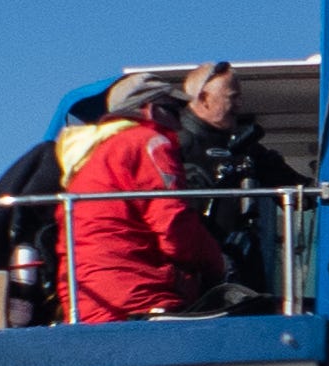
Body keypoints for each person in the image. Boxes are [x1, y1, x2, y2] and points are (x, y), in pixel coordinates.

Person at [55, 75, 227, 324]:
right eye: (174, 110)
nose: (181, 122)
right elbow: (173, 229)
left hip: (88, 303)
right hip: (139, 297)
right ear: (152, 110)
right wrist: (218, 263)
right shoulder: (149, 142)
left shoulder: (91, 157)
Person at [178, 62, 310, 296]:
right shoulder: (173, 145)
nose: (239, 105)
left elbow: (302, 193)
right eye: (233, 97)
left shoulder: (247, 149)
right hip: (190, 269)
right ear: (204, 98)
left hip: (240, 264)